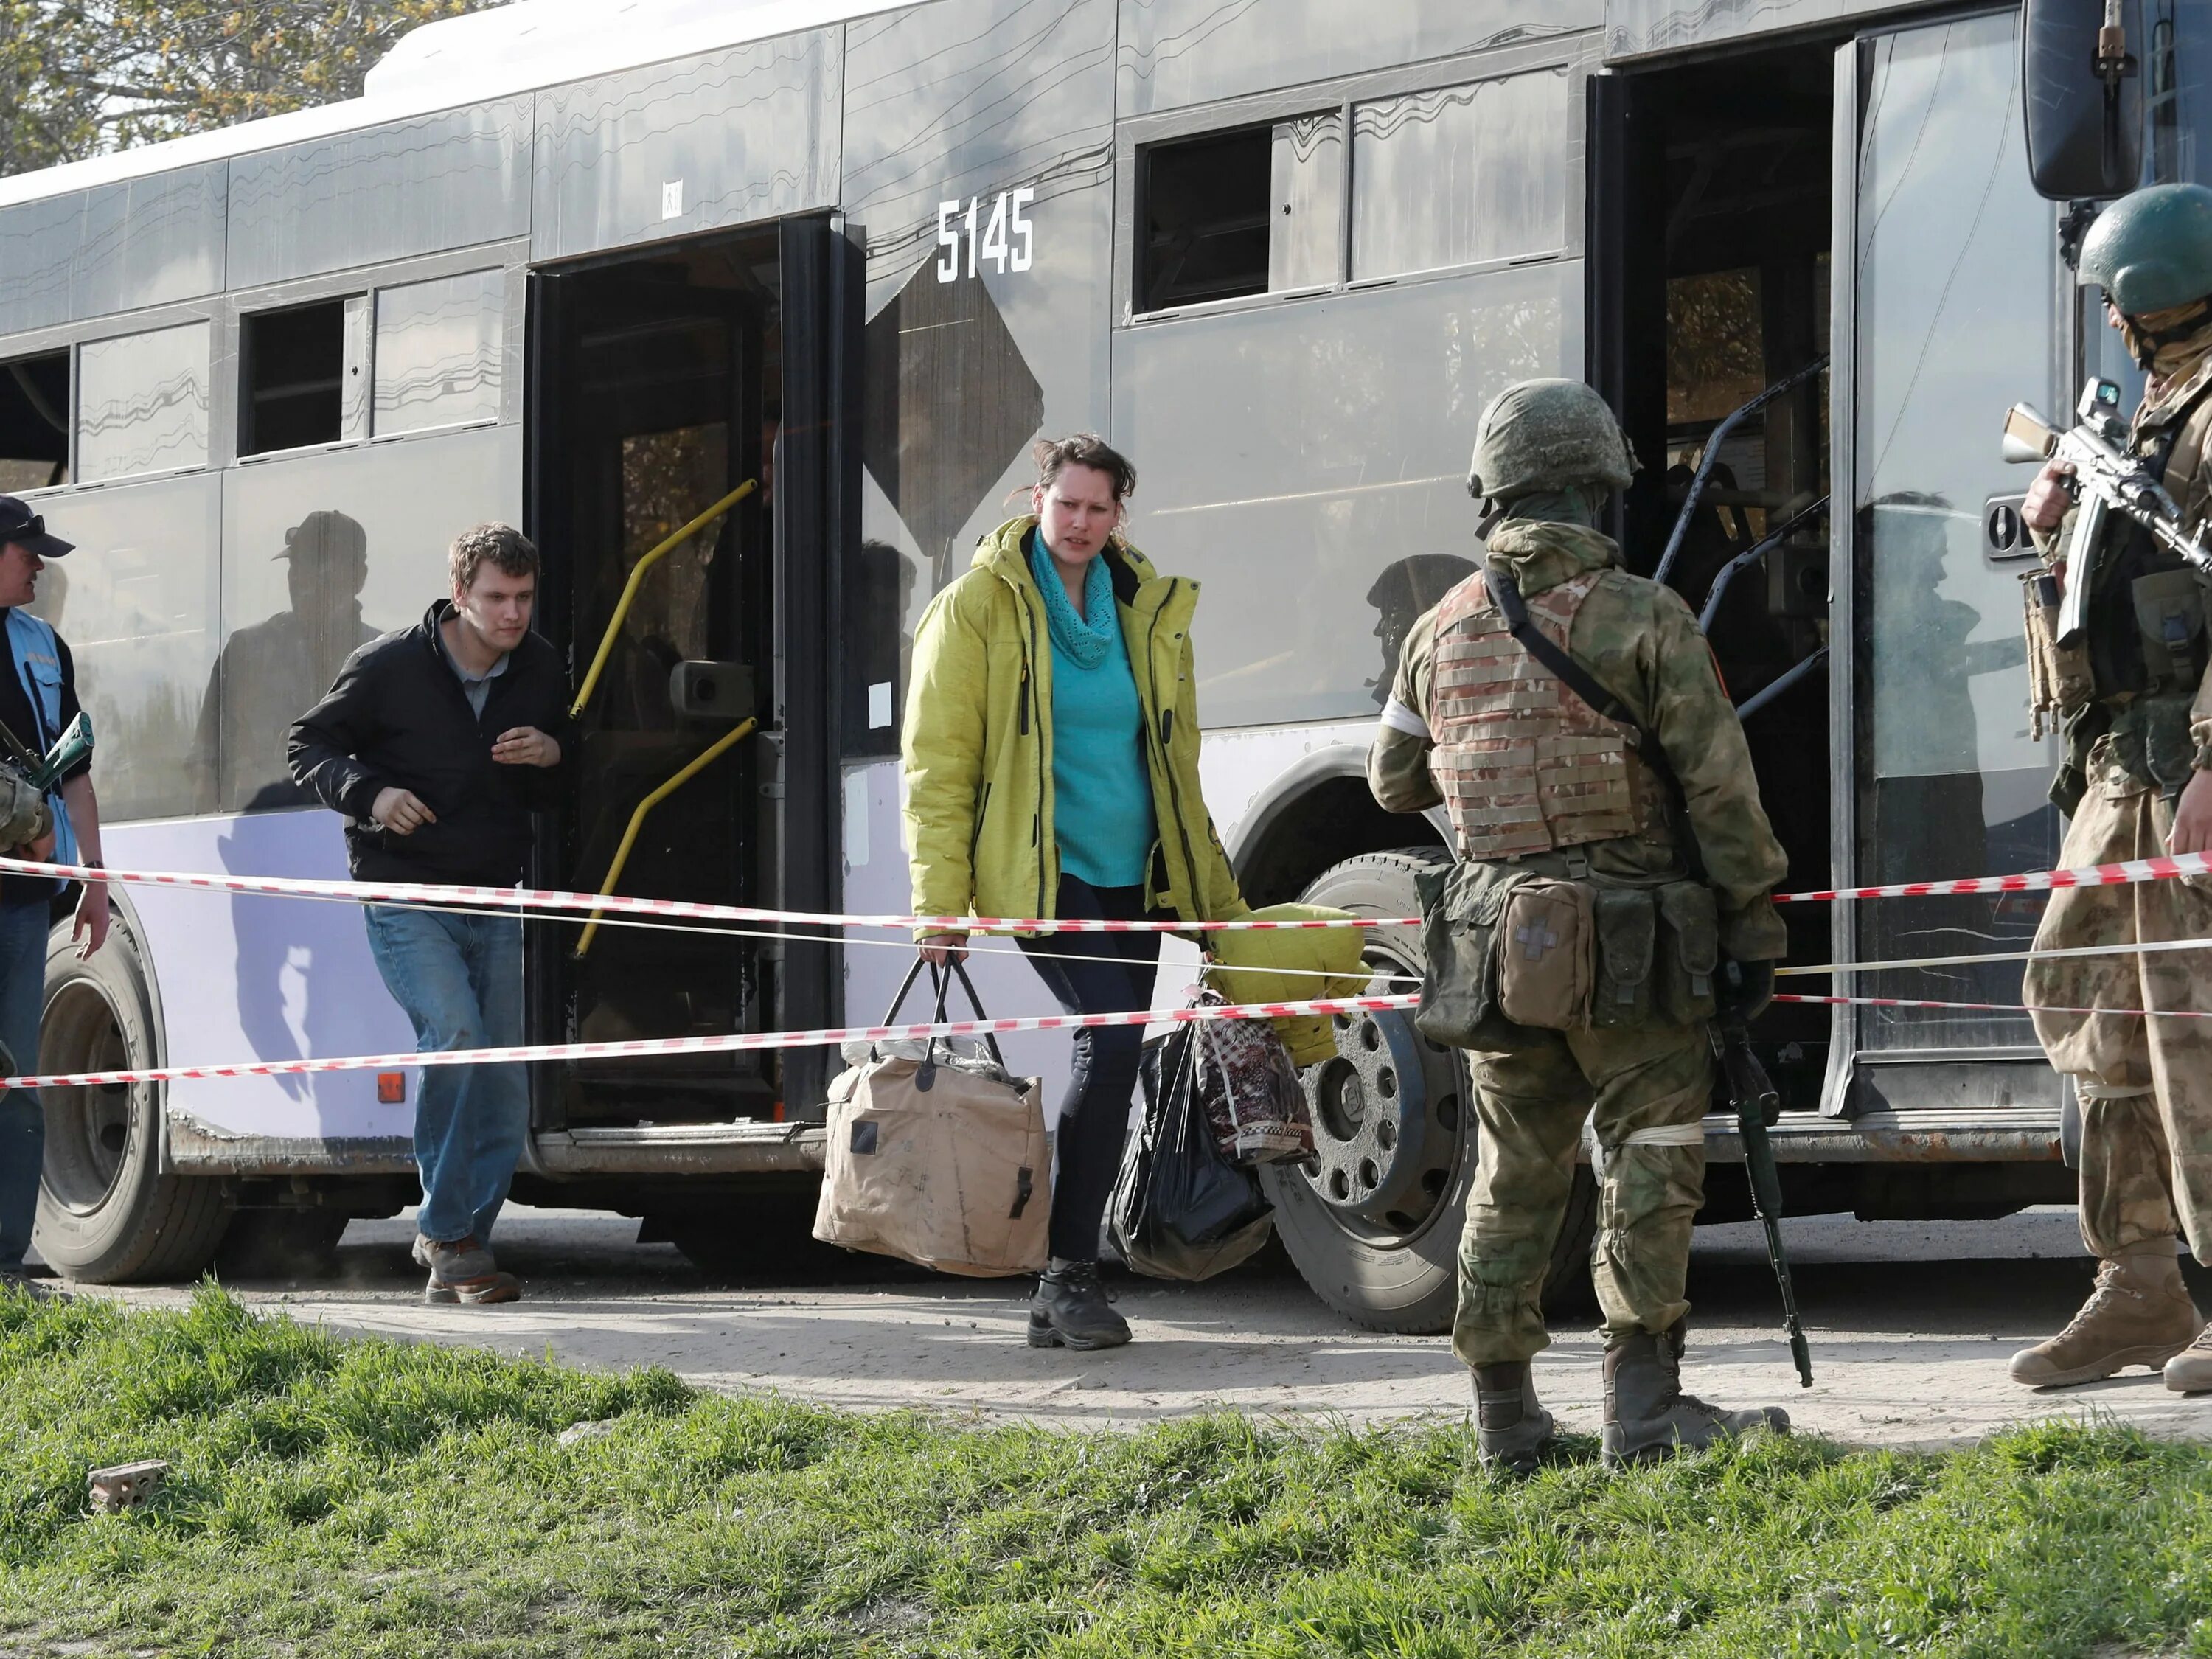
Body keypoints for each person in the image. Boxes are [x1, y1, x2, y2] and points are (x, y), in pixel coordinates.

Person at [1366, 379, 1792, 1473]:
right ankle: (1643, 1416)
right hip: (1636, 957)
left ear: (1494, 494)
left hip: (1502, 956)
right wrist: (1753, 933)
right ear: (1598, 488)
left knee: (1513, 1175)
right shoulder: (1647, 617)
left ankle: (1505, 1426)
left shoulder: (1436, 628)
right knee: (1649, 1161)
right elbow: (1722, 798)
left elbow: (1388, 779)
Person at [902, 434, 1247, 1352]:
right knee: (1107, 1043)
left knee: (1121, 1055)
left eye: (1100, 509)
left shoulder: (1144, 605)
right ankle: (1067, 1277)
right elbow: (937, 765)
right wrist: (940, 903)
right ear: (1036, 499)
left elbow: (1175, 763)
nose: (1082, 524)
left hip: (1136, 871)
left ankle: (1068, 1281)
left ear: (1119, 513)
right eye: (1068, 506)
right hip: (1044, 875)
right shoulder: (975, 608)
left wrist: (1212, 899)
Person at [2009, 181, 2212, 1394]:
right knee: (2089, 1007)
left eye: (2112, 301)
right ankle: (2138, 1285)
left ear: (2145, 294)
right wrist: (2055, 523)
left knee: (2196, 1030)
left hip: (2185, 768)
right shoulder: (2148, 419)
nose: (2108, 323)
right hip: (2118, 767)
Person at [288, 524, 570, 1307]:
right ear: (459, 596)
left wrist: (552, 753)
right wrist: (371, 795)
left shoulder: (541, 667)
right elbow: (306, 746)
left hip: (494, 892)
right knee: (455, 1037)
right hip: (404, 891)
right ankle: (449, 1237)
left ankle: (462, 1239)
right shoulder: (389, 664)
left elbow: (560, 778)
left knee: (505, 1079)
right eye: (497, 599)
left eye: (524, 598)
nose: (513, 615)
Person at [0, 495, 107, 1294]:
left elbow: (74, 769)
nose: (41, 564)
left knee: (18, 1074)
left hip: (28, 897)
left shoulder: (45, 645)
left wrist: (96, 881)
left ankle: (6, 1256)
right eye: (28, 551)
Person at [194, 509, 379, 812]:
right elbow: (205, 761)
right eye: (296, 568)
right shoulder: (246, 652)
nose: (301, 581)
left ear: (358, 577)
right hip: (261, 830)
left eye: (320, 569)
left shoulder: (383, 658)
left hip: (359, 832)